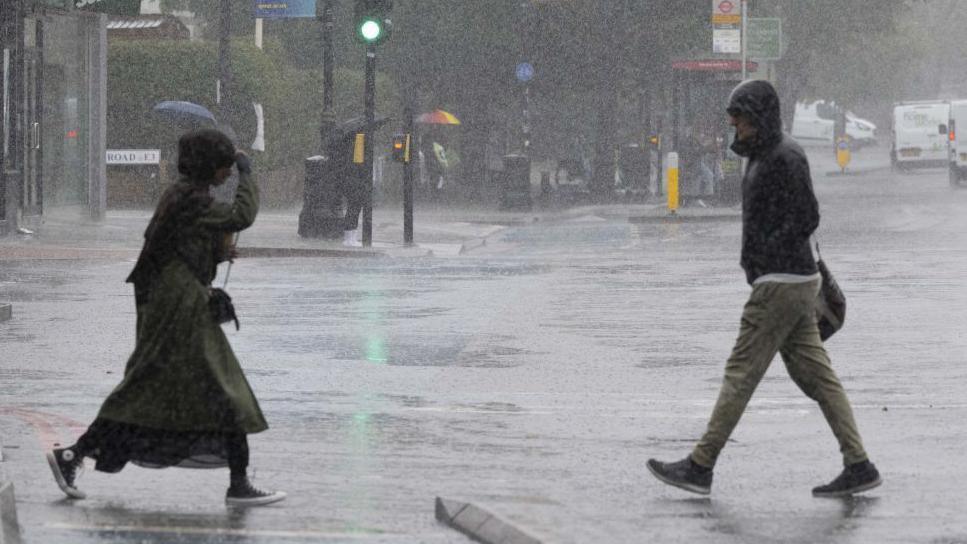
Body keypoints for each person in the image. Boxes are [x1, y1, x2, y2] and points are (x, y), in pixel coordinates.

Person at [646, 80, 881, 498]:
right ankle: (859, 464)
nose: (733, 123)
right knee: (819, 378)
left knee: (741, 373)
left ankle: (701, 465)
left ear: (759, 115)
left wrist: (768, 253)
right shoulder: (762, 154)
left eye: (739, 115)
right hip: (788, 280)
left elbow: (807, 215)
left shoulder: (784, 156)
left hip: (781, 282)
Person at [46, 129, 286, 507]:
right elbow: (243, 215)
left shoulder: (184, 196)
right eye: (224, 165)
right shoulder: (192, 199)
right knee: (220, 387)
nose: (227, 172)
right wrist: (247, 173)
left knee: (154, 388)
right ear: (211, 166)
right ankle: (238, 484)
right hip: (180, 306)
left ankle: (75, 455)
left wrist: (216, 256)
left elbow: (178, 245)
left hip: (176, 299)